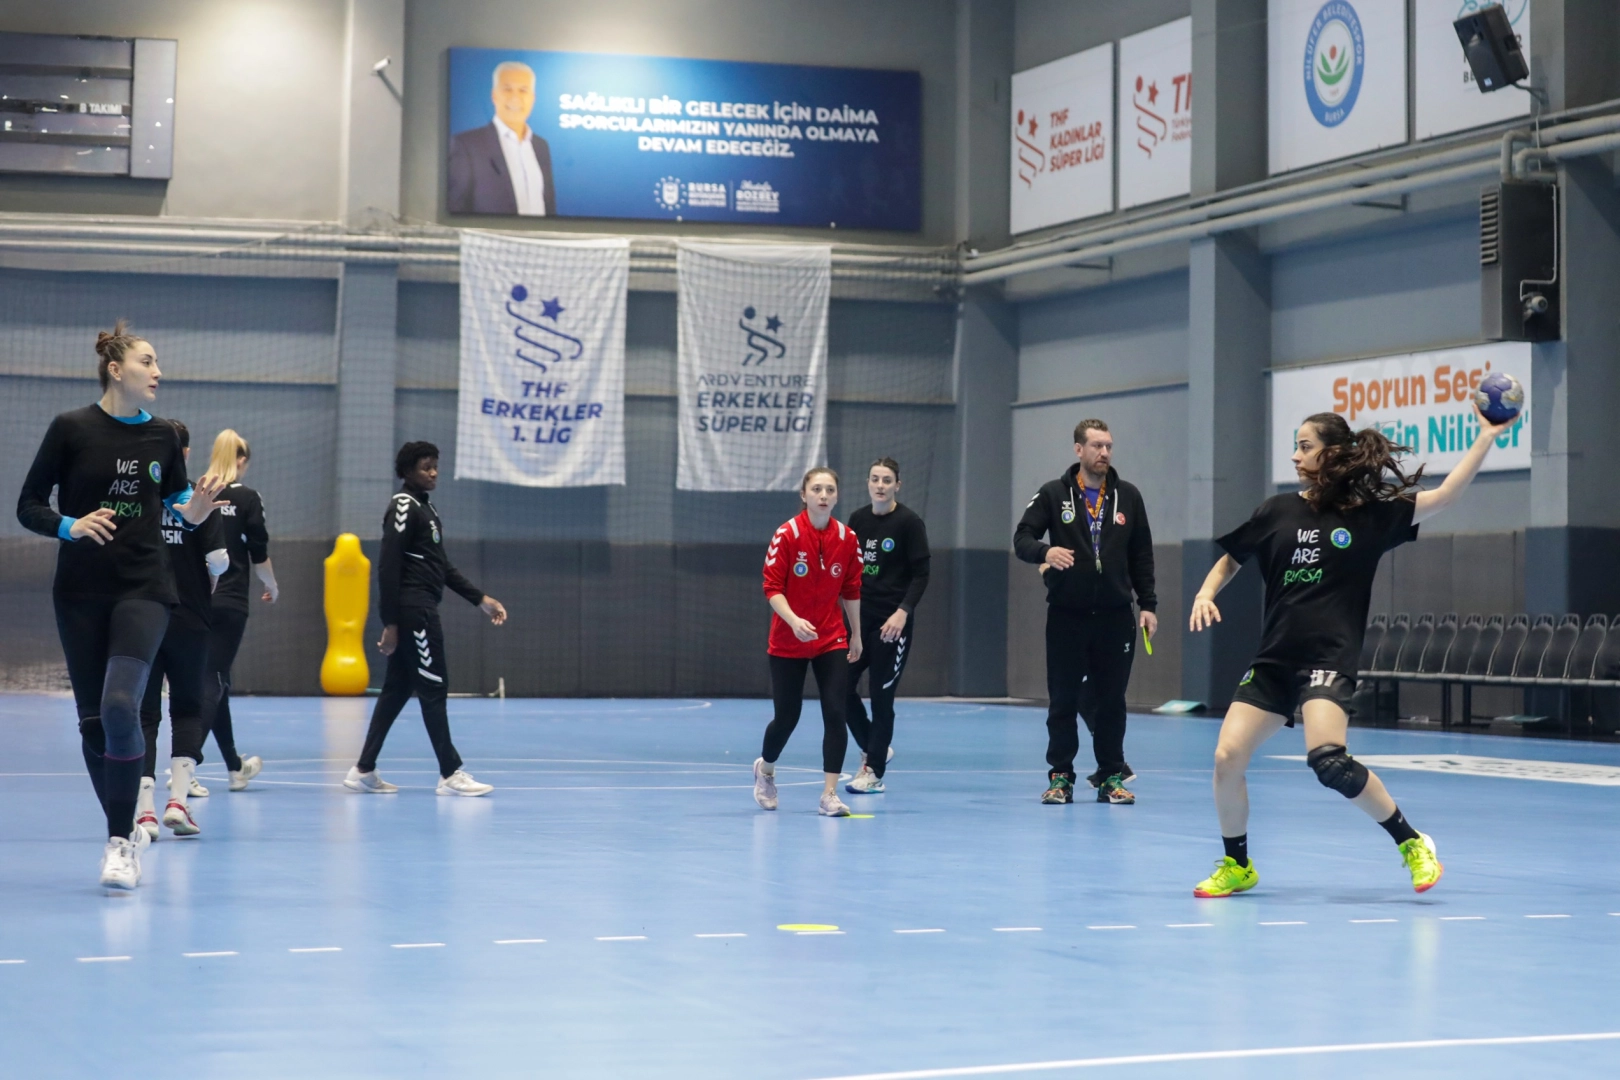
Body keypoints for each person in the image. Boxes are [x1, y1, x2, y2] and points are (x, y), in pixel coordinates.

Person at [1187, 405, 1510, 899]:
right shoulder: (1276, 511)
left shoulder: (1369, 516)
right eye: (1295, 446)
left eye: (1305, 446)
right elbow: (1231, 560)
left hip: (1328, 657)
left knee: (1329, 761)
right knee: (1227, 756)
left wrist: (1486, 436)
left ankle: (1412, 842)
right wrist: (1205, 593)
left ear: (1333, 453)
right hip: (1275, 658)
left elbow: (1445, 495)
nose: (1295, 456)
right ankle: (1238, 865)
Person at [16, 321, 224, 891]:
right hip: (80, 593)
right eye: (147, 362)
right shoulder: (70, 428)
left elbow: (181, 504)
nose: (158, 372)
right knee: (92, 726)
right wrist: (70, 525)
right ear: (116, 369)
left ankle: (118, 844)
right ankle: (123, 825)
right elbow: (29, 504)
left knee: (118, 706)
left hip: (145, 588)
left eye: (157, 363)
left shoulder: (162, 436)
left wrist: (199, 508)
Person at [344, 442, 507, 796]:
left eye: (435, 466)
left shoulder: (426, 508)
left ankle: (363, 769)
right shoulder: (403, 506)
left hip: (421, 607)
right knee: (434, 686)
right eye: (425, 467)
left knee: (397, 689)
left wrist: (480, 599)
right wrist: (391, 623)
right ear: (407, 472)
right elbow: (388, 567)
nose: (433, 473)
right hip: (414, 611)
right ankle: (450, 773)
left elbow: (441, 566)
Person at [1014, 419, 1157, 806]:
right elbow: (1022, 538)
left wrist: (1148, 605)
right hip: (1068, 615)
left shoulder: (1128, 496)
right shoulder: (1053, 494)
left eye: (1108, 446)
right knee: (1062, 699)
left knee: (1112, 701)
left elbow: (1142, 555)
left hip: (1115, 616)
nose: (1104, 453)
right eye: (1096, 446)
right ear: (1079, 449)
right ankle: (1061, 777)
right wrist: (1046, 552)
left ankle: (1111, 777)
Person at [136, 420, 229, 839]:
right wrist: (209, 581)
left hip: (143, 615)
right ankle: (177, 801)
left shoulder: (139, 497)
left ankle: (144, 812)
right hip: (190, 616)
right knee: (187, 707)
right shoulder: (197, 496)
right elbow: (220, 560)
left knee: (144, 713)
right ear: (186, 454)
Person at [753, 467, 863, 817]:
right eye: (816, 489)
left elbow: (851, 589)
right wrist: (794, 620)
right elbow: (772, 587)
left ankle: (829, 794)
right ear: (804, 495)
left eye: (830, 489)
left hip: (831, 638)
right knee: (788, 716)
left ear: (837, 496)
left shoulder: (847, 538)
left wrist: (856, 633)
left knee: (835, 711)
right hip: (789, 640)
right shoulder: (787, 534)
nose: (823, 495)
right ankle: (766, 769)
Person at [843, 457, 929, 795]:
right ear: (868, 483)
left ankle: (873, 771)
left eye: (887, 480)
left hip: (892, 625)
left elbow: (921, 575)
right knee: (839, 687)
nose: (880, 485)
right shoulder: (857, 520)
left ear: (897, 485)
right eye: (875, 479)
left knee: (881, 696)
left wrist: (902, 612)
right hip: (859, 621)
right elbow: (850, 570)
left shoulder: (909, 523)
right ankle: (873, 746)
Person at [199, 428, 278, 793]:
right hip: (230, 602)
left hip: (196, 601)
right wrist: (272, 585)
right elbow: (259, 552)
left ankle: (234, 767)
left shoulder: (197, 492)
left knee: (217, 680)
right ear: (241, 460)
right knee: (213, 681)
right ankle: (184, 763)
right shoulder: (248, 497)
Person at [448, 60, 558, 216]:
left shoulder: (541, 146)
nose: (515, 97)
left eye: (523, 90)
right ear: (494, 96)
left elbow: (549, 208)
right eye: (507, 89)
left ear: (532, 98)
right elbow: (456, 210)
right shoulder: (466, 145)